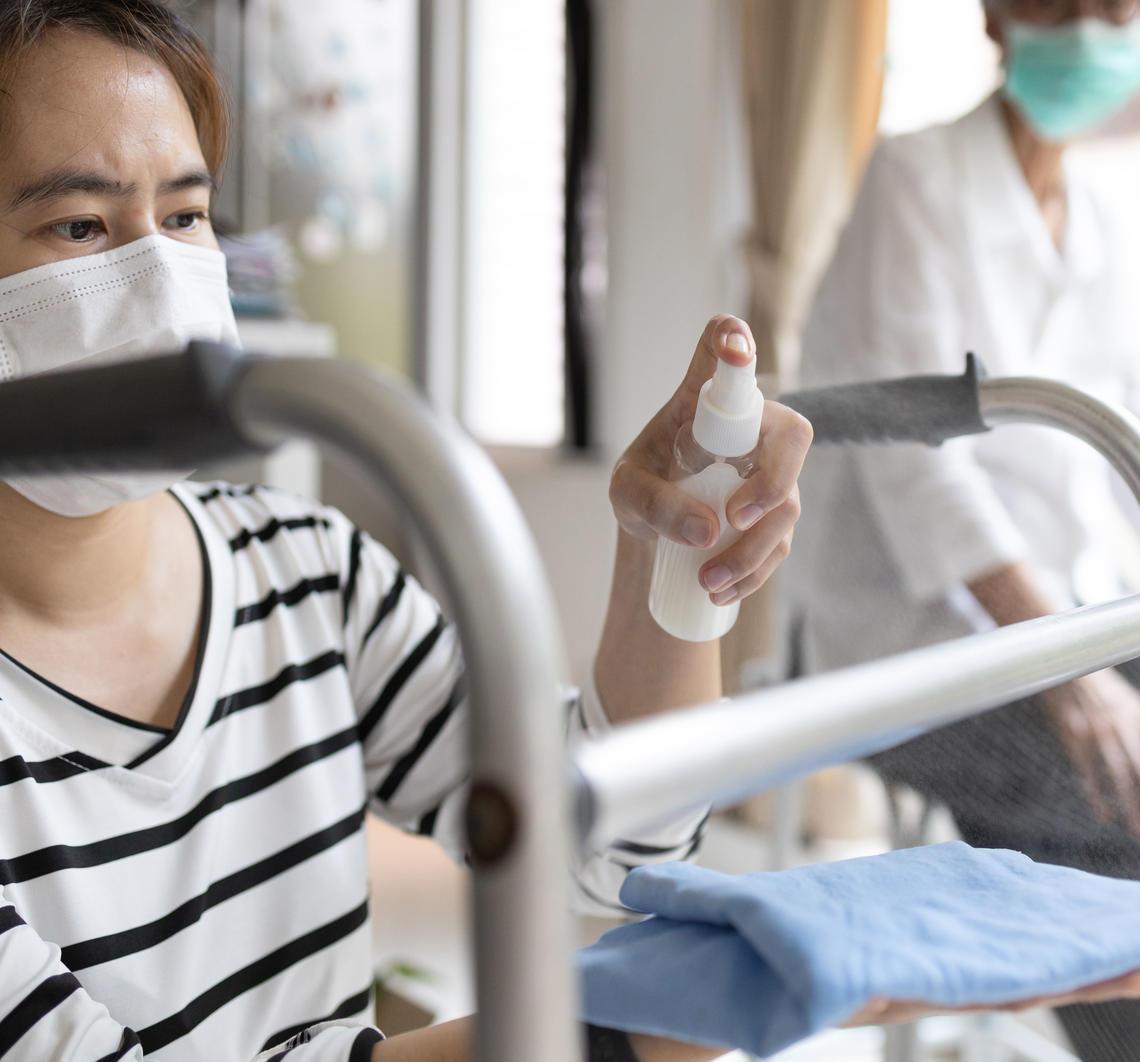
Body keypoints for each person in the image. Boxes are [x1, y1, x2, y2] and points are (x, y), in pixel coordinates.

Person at [1, 3, 1138, 1062]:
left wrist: (677, 557)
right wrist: (645, 1024)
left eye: (189, 214)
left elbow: (600, 837)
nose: (158, 273)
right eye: (81, 223)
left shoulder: (301, 569)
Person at [788, 0, 1140, 1058]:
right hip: (921, 637)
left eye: (1111, 8)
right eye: (1058, 3)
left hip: (1083, 612)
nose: (1087, 30)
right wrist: (1070, 677)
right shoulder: (915, 179)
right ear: (996, 18)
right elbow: (917, 472)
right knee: (1102, 808)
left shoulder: (1102, 208)